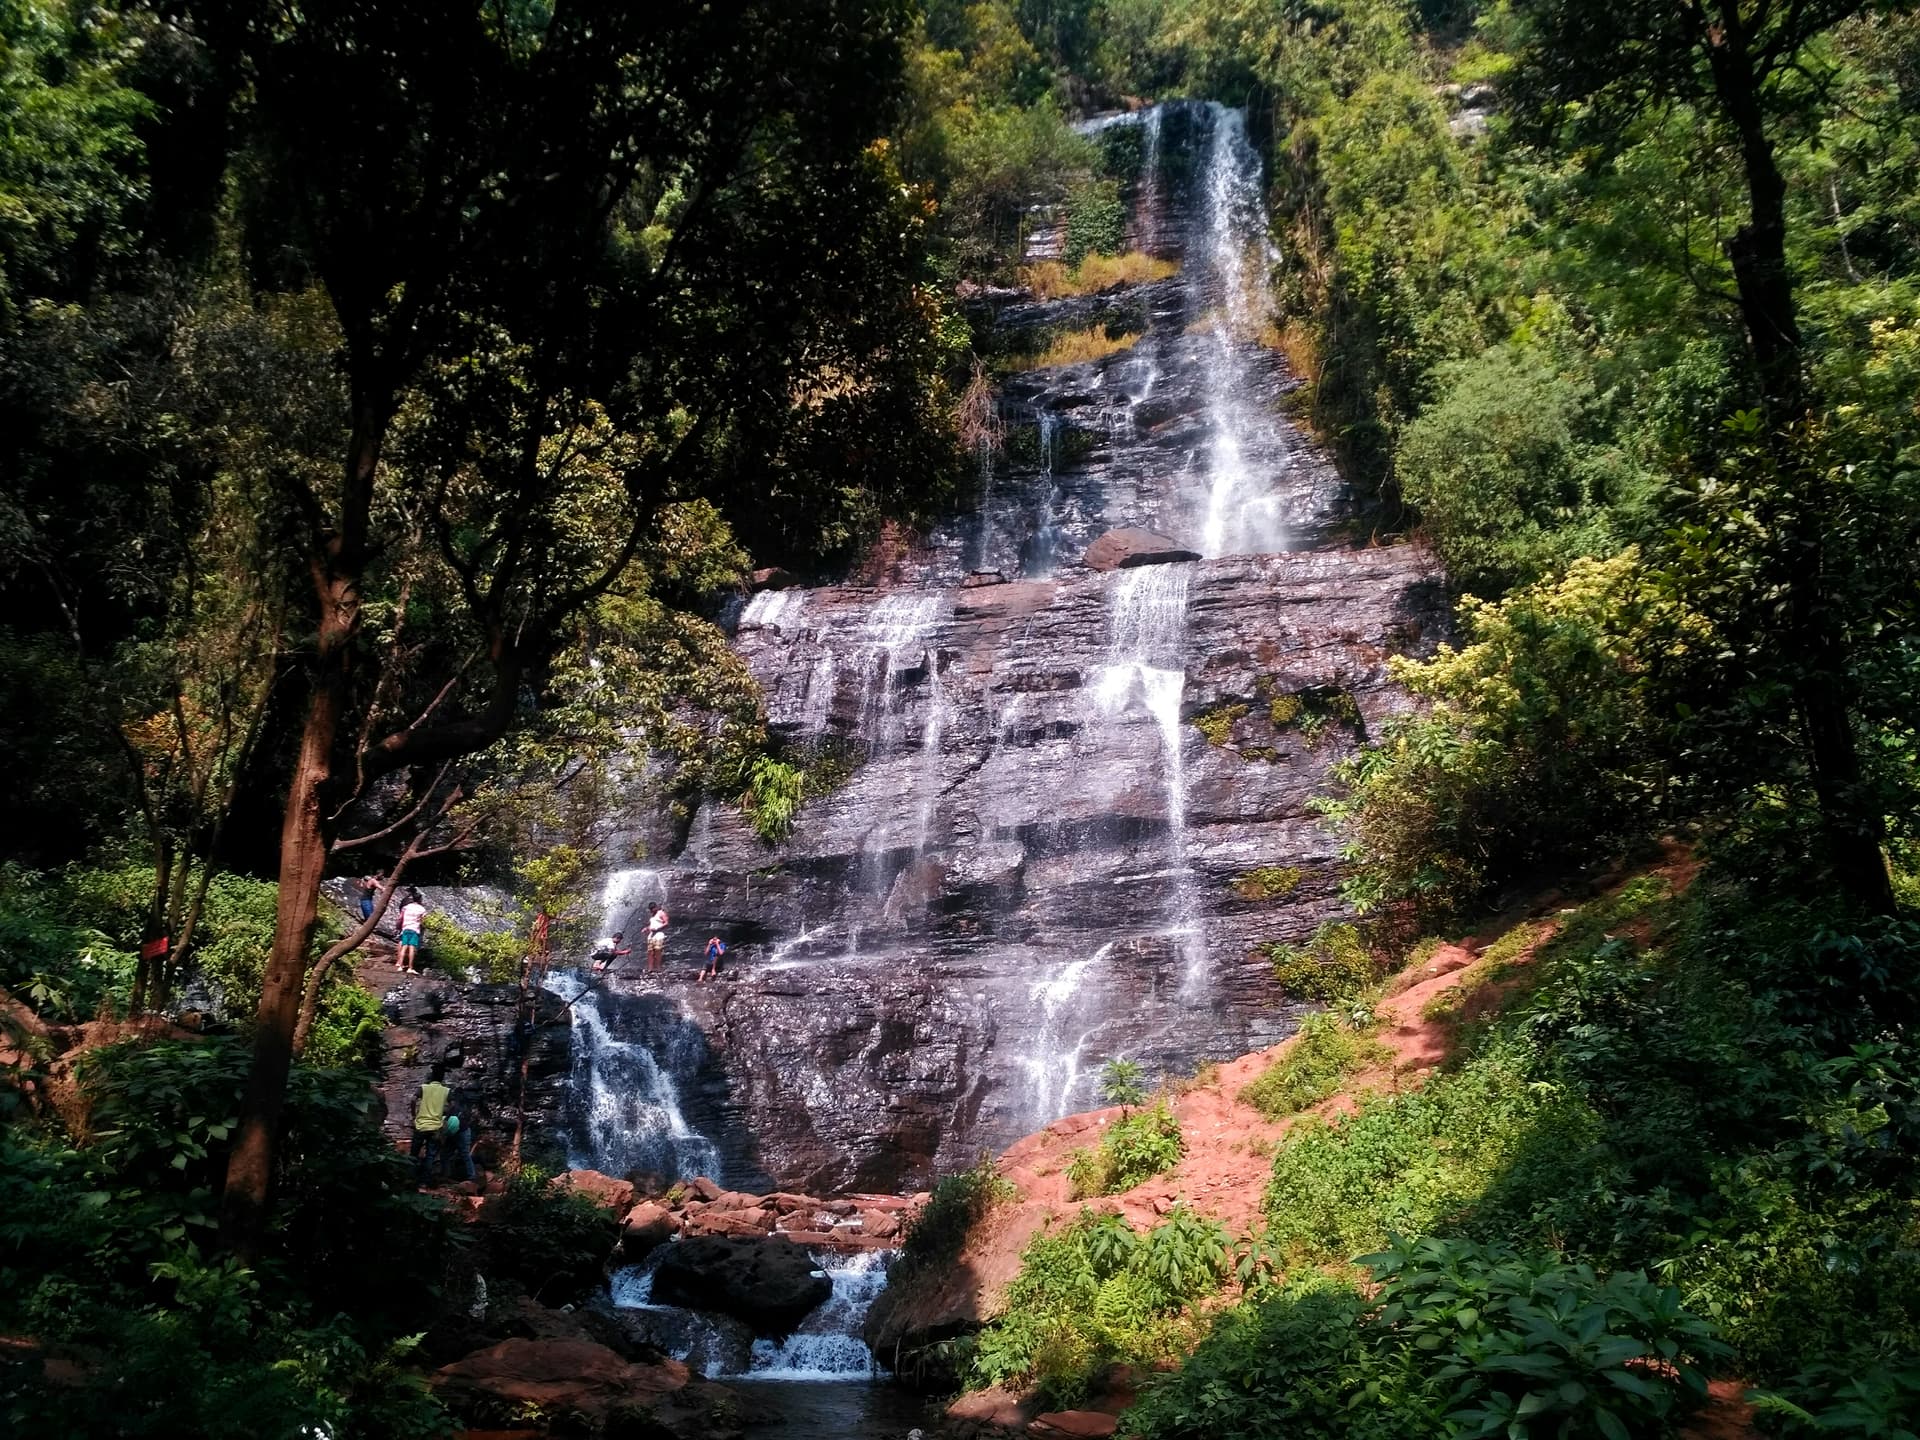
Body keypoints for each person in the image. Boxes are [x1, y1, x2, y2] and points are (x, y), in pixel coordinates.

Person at [410, 1061, 452, 1186]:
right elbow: (453, 1105)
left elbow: (412, 1099)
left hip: (421, 1125)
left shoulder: (423, 1088)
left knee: (414, 1153)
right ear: (442, 1077)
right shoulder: (446, 1091)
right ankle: (425, 1181)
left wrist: (414, 1115)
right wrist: (445, 1118)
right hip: (436, 1127)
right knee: (430, 1155)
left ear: (431, 1076)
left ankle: (410, 1179)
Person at [397, 889, 427, 975]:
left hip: (405, 928)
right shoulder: (422, 909)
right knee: (411, 948)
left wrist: (399, 925)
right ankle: (410, 967)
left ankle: (400, 965)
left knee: (404, 946)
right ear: (420, 900)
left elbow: (400, 918)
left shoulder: (406, 907)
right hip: (414, 929)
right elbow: (422, 921)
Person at [644, 902, 669, 973]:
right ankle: (650, 968)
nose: (651, 910)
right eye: (650, 909)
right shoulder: (652, 916)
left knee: (658, 950)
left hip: (659, 934)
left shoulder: (661, 913)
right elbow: (651, 925)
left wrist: (657, 928)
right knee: (650, 952)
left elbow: (666, 923)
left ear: (656, 907)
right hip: (651, 935)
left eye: (652, 909)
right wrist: (646, 928)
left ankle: (658, 968)